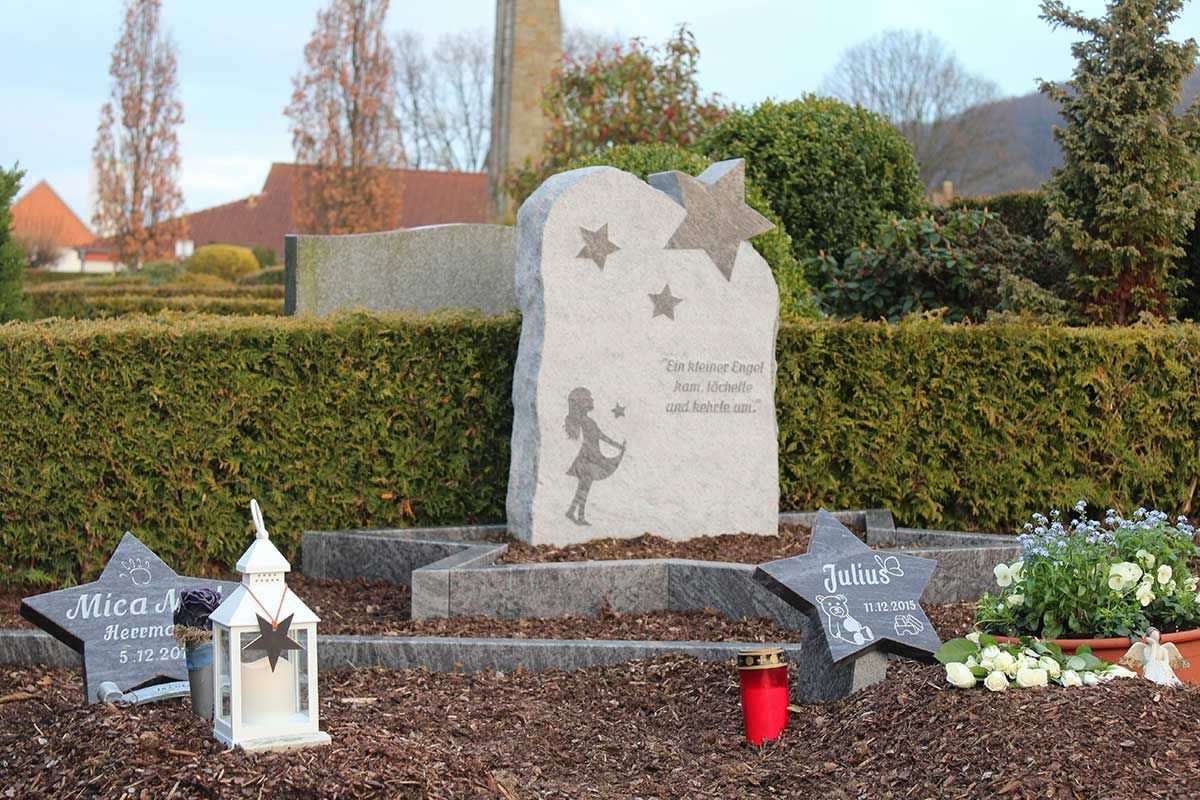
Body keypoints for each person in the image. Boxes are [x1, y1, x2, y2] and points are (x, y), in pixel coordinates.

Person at [564, 387, 625, 526]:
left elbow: (602, 436)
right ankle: (579, 516)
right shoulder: (582, 421)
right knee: (584, 488)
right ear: (581, 402)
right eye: (588, 398)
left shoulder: (590, 421)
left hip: (591, 456)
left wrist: (618, 446)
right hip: (587, 458)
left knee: (583, 488)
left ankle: (573, 512)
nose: (592, 400)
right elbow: (583, 438)